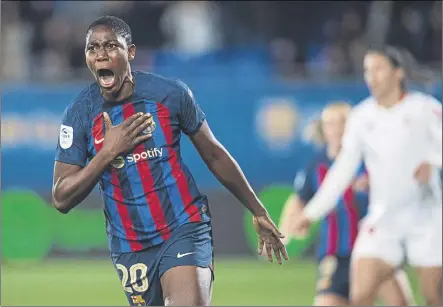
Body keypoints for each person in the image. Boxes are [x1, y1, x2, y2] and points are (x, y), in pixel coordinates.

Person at [52, 15, 288, 306]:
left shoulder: (169, 94)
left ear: (131, 52)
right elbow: (61, 197)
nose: (101, 53)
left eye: (111, 45)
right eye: (93, 48)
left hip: (183, 225)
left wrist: (258, 210)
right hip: (130, 247)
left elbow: (213, 152)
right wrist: (108, 153)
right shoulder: (79, 114)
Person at [293, 46, 442, 306]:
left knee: (434, 296)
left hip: (426, 218)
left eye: (378, 69)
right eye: (367, 70)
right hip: (383, 220)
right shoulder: (362, 117)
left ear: (398, 73)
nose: (371, 76)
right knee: (360, 296)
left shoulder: (425, 109)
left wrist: (433, 162)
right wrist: (311, 213)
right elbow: (342, 170)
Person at [279, 102, 415, 306]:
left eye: (342, 122)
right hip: (336, 254)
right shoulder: (315, 167)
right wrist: (284, 232)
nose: (336, 129)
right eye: (330, 123)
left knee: (400, 302)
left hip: (376, 249)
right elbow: (298, 200)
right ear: (323, 129)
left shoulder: (371, 161)